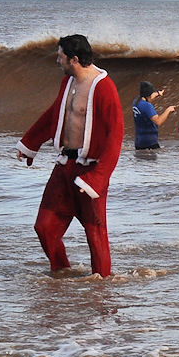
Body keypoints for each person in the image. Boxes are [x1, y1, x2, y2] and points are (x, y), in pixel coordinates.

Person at [15, 34, 124, 278]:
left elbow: (115, 137)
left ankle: (101, 286)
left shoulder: (103, 87)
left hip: (90, 170)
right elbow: (56, 113)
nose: (57, 61)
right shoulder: (68, 82)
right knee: (44, 227)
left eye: (60, 56)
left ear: (74, 59)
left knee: (95, 234)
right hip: (64, 165)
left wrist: (97, 178)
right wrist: (29, 143)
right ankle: (62, 274)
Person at [131, 81, 175, 150]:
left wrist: (158, 93)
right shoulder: (147, 106)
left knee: (140, 159)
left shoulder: (136, 102)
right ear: (150, 94)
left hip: (139, 142)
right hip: (149, 143)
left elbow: (150, 96)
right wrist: (168, 110)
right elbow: (158, 121)